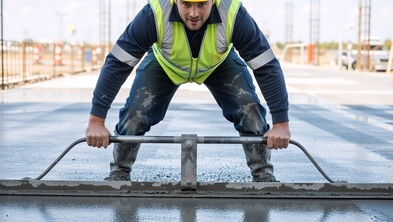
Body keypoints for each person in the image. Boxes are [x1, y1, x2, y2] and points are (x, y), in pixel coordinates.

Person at [85, 0, 291, 182]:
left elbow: (266, 66)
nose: (194, 13)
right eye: (186, 4)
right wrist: (96, 121)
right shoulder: (154, 14)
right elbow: (118, 63)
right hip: (165, 64)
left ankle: (263, 174)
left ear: (214, 1)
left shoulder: (234, 14)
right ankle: (119, 172)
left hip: (217, 64)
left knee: (248, 107)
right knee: (136, 113)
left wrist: (281, 124)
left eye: (201, 4)